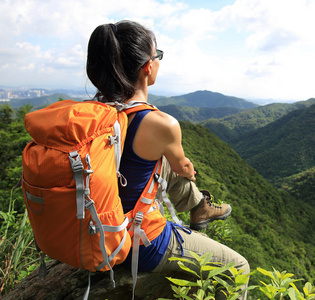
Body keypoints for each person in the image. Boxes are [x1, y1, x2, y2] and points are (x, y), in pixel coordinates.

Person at [86, 20, 249, 299]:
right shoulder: (160, 123)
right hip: (138, 241)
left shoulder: (92, 114)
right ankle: (200, 206)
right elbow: (182, 166)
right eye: (156, 55)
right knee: (238, 268)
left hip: (92, 228)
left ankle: (199, 207)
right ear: (148, 67)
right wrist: (186, 165)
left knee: (157, 159)